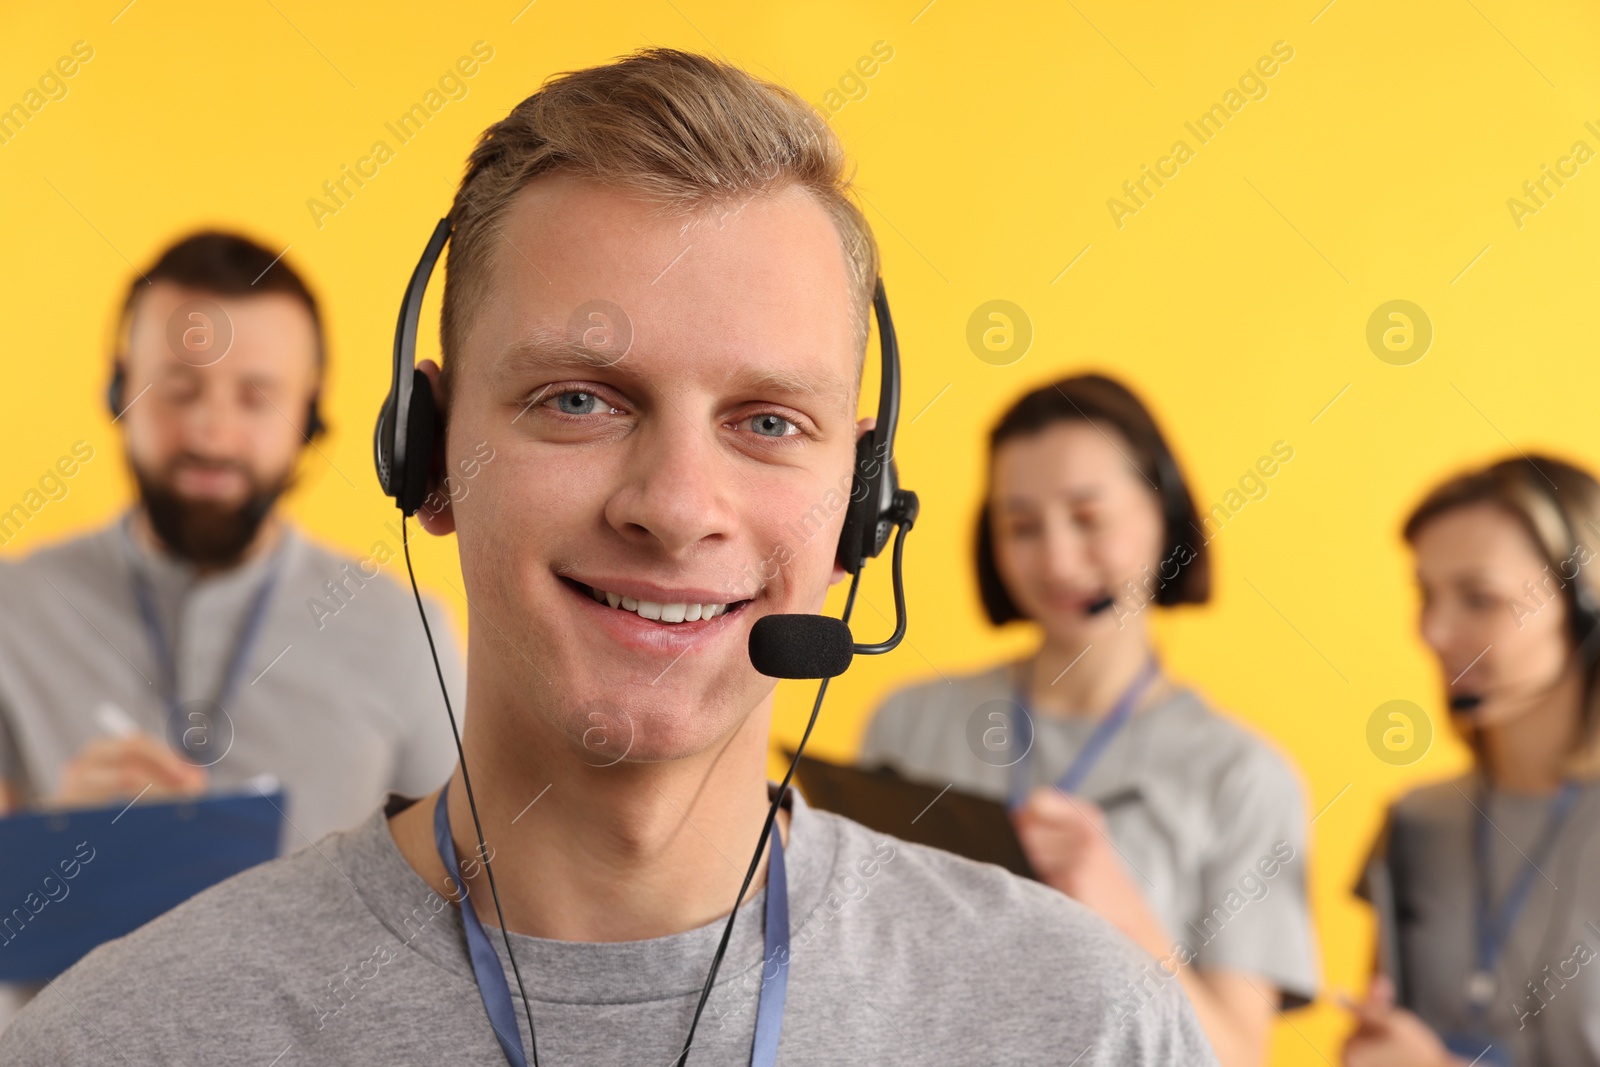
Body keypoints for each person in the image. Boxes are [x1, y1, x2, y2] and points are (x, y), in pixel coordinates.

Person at [0, 50, 1215, 1065]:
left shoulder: (1088, 1028)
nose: (677, 506)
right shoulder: (125, 1039)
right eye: (579, 400)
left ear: (862, 501)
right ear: (426, 456)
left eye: (768, 421)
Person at [859, 374, 1319, 1067]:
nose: (1057, 560)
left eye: (1089, 517)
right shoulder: (909, 723)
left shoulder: (1243, 776)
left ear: (1162, 511)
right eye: (1020, 526)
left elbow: (1234, 1057)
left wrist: (1121, 908)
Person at [0, 232, 464, 835]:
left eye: (256, 397)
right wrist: (48, 839)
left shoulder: (410, 638)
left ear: (310, 412)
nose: (210, 435)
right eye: (178, 390)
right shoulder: (13, 612)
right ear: (121, 393)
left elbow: (468, 898)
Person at [1343, 455, 1600, 1067]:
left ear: (1587, 610)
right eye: (1426, 595)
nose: (1433, 630)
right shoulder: (1416, 823)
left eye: (1478, 598)